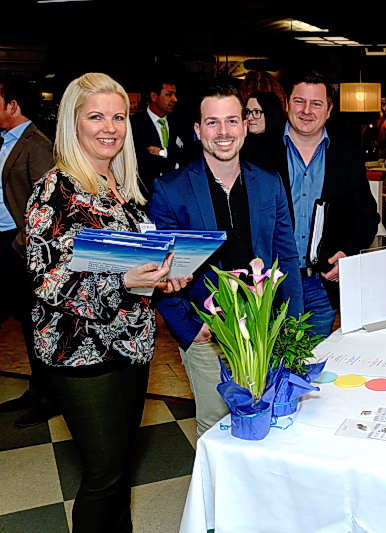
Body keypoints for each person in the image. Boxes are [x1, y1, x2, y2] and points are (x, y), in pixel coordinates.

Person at [25, 72, 187, 533]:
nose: (109, 128)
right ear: (72, 123)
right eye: (96, 116)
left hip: (129, 343)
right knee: (103, 474)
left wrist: (161, 278)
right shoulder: (56, 189)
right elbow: (47, 280)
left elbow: (130, 264)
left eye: (118, 117)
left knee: (119, 470)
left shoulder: (120, 186)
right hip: (79, 348)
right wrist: (124, 282)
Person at [149, 80, 303, 437]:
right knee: (216, 427)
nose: (223, 132)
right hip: (208, 332)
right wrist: (189, 329)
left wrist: (292, 327)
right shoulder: (171, 190)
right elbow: (159, 270)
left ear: (245, 126)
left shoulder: (269, 183)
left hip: (264, 329)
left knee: (268, 421)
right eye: (213, 122)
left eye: (232, 121)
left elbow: (286, 257)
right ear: (198, 129)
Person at [262, 71, 378, 337]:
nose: (306, 111)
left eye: (316, 104)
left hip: (321, 285)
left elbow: (367, 217)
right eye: (299, 101)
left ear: (329, 110)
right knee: (266, 362)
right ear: (286, 104)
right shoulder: (257, 153)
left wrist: (348, 253)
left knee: (315, 361)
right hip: (268, 285)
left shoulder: (347, 156)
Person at [0, 76, 57, 428]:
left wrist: (20, 243)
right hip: (4, 241)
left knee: (36, 320)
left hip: (18, 245)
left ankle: (49, 395)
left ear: (12, 105)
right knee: (25, 320)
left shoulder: (37, 145)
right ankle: (37, 389)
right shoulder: (5, 141)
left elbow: (45, 204)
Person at [130, 76, 185, 198]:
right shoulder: (134, 124)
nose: (175, 99)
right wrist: (173, 157)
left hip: (177, 192)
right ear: (154, 97)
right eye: (169, 95)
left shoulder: (181, 123)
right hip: (146, 195)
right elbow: (140, 160)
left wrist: (162, 152)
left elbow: (188, 154)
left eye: (175, 94)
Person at [240, 91, 284, 169]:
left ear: (270, 114)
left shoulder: (284, 147)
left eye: (257, 112)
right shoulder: (241, 144)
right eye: (248, 112)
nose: (249, 117)